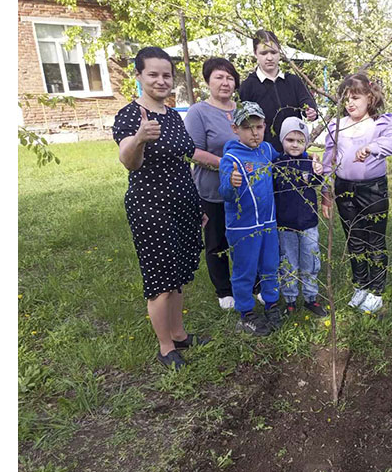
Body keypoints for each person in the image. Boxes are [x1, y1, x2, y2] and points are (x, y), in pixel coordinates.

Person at [112, 46, 209, 370]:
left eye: (166, 74)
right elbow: (129, 161)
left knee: (179, 273)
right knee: (161, 280)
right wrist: (139, 138)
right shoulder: (130, 116)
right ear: (138, 76)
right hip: (151, 207)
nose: (161, 80)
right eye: (153, 74)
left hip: (183, 202)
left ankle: (179, 333)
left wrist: (199, 203)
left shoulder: (172, 115)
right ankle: (166, 346)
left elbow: (186, 156)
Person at [321, 73, 392, 314]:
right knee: (354, 239)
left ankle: (376, 291)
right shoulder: (338, 126)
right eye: (346, 98)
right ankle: (361, 285)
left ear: (369, 97)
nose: (350, 103)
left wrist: (372, 147)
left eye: (355, 97)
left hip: (372, 190)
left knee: (374, 239)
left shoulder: (380, 123)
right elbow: (329, 160)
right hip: (344, 189)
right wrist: (326, 190)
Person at [219, 102, 282, 336]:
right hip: (243, 227)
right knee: (244, 271)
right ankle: (246, 312)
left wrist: (307, 157)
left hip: (268, 224)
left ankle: (272, 303)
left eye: (258, 127)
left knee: (270, 265)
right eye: (247, 128)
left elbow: (284, 162)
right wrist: (231, 183)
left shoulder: (266, 149)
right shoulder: (231, 157)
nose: (254, 133)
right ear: (236, 129)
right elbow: (224, 193)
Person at [184, 58, 242, 310]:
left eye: (230, 78)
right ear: (208, 81)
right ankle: (224, 290)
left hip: (244, 190)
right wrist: (226, 165)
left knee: (244, 238)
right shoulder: (199, 112)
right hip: (213, 190)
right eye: (219, 77)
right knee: (217, 241)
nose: (225, 83)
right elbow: (192, 152)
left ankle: (249, 282)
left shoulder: (242, 110)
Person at [273, 117, 326, 317]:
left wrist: (318, 170)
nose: (295, 144)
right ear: (282, 141)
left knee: (310, 261)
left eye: (300, 140)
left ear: (305, 142)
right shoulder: (276, 164)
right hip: (285, 226)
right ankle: (290, 300)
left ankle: (311, 298)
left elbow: (318, 180)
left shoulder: (309, 162)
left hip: (308, 224)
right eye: (290, 140)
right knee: (288, 262)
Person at [238, 29, 319, 155]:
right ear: (255, 53)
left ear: (280, 52)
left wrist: (311, 110)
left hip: (294, 151)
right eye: (264, 53)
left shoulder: (293, 81)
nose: (269, 57)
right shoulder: (248, 85)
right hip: (264, 154)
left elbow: (306, 101)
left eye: (273, 52)